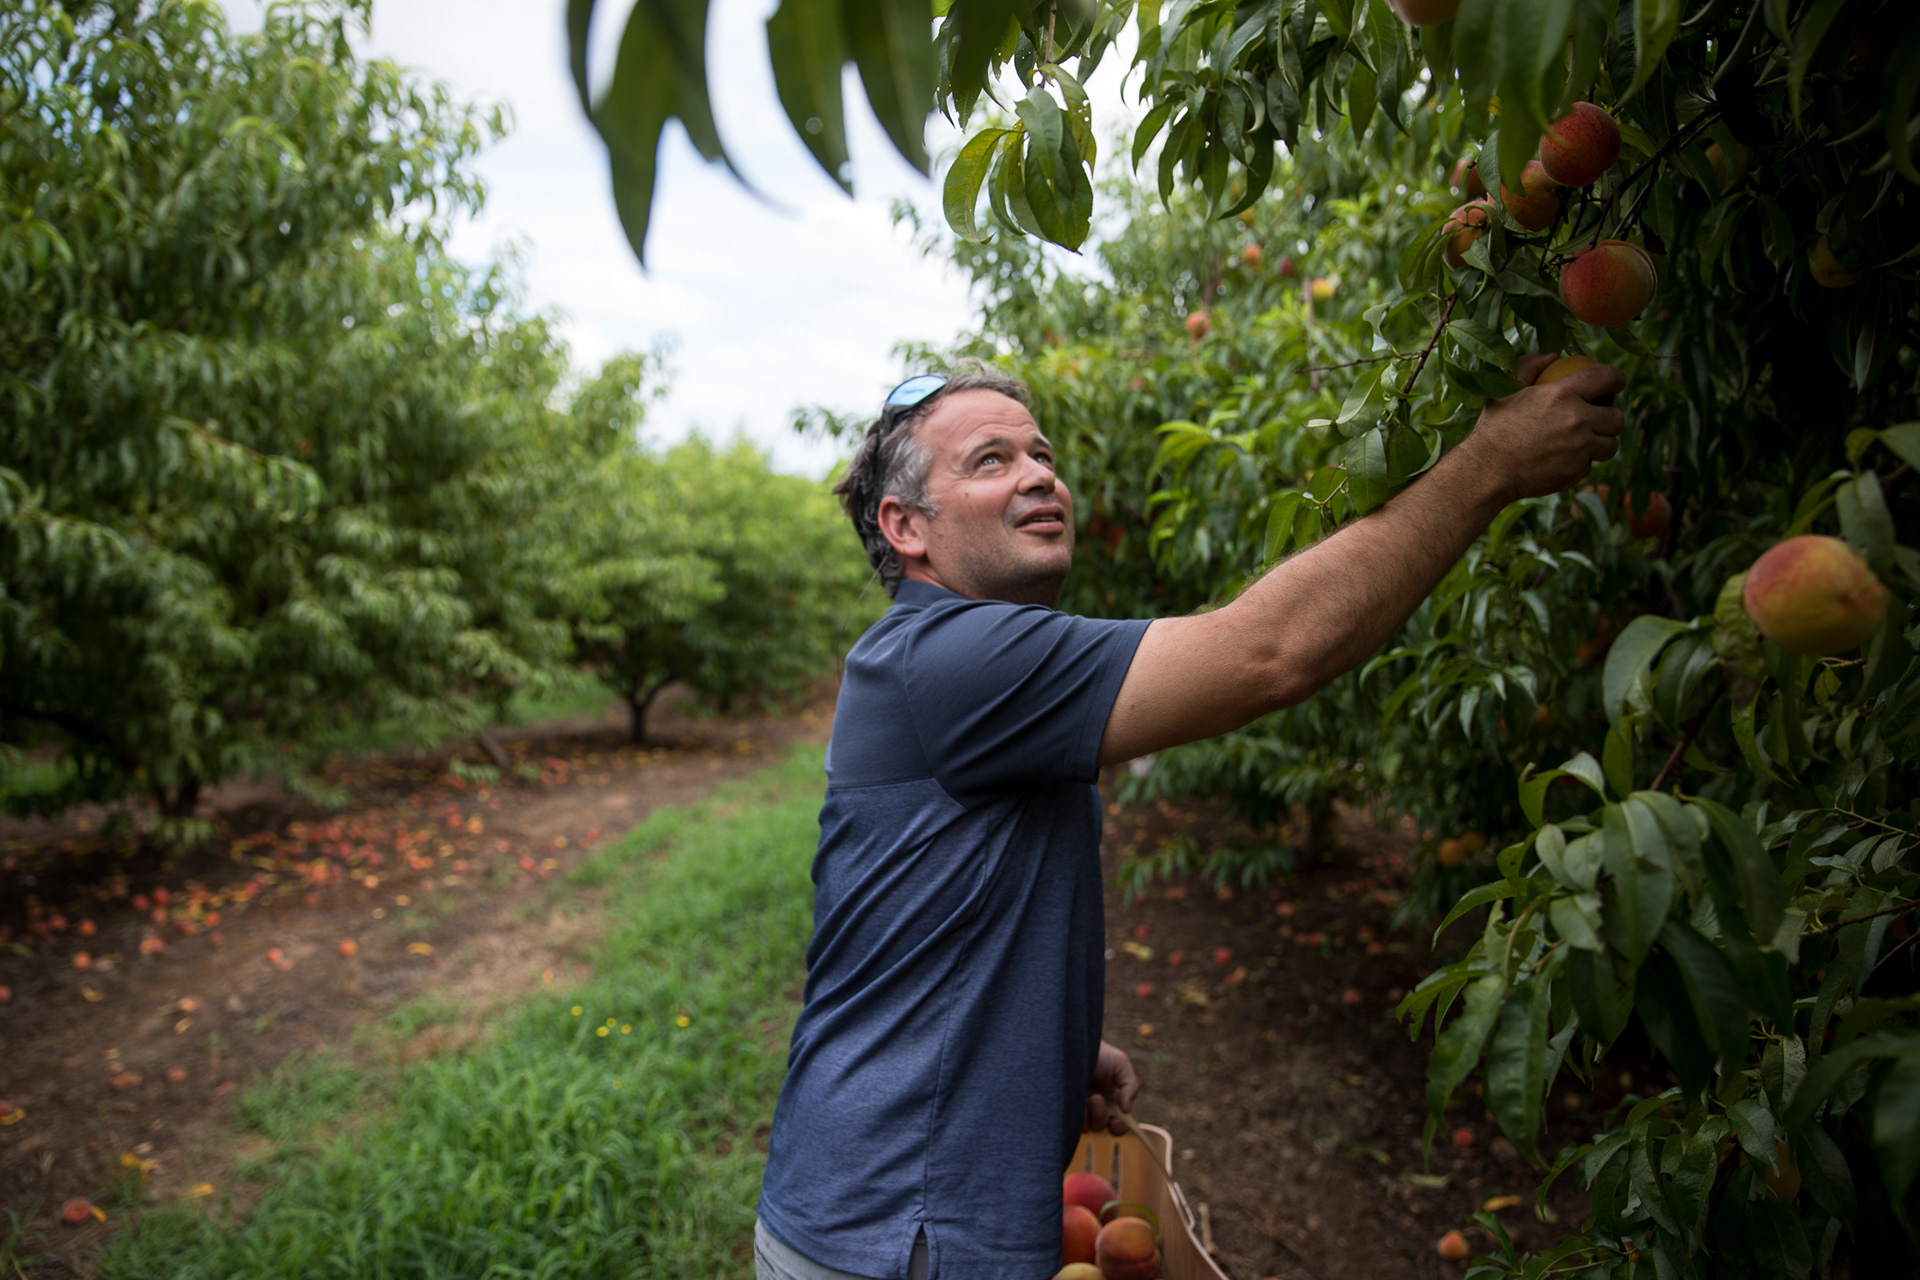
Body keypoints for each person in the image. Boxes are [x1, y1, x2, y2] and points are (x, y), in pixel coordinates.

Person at [755, 355, 1625, 1280]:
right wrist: (1490, 463)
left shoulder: (949, 662)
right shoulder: (952, 657)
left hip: (871, 1201)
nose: (1041, 474)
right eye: (991, 460)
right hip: (897, 1230)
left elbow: (923, 912)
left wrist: (1040, 1043)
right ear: (906, 527)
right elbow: (1271, 652)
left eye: (1043, 454)